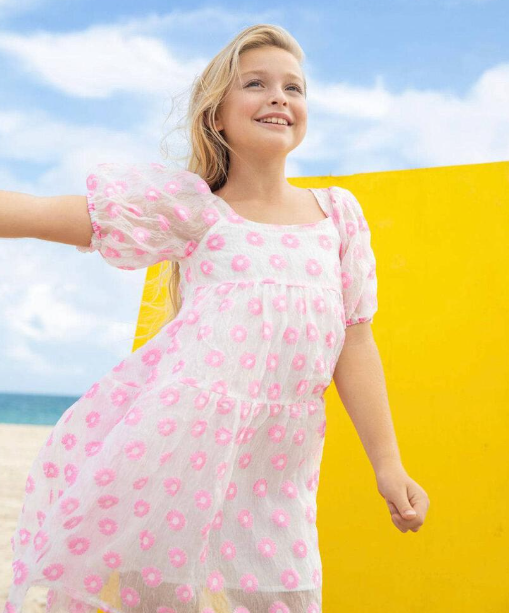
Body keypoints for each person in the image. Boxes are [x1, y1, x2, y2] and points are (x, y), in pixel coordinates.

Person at [0, 23, 429, 613]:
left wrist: (388, 464)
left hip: (277, 472)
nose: (280, 96)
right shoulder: (194, 211)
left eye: (294, 87)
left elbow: (355, 343)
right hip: (175, 457)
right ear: (217, 117)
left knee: (288, 596)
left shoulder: (338, 217)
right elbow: (46, 213)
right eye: (256, 84)